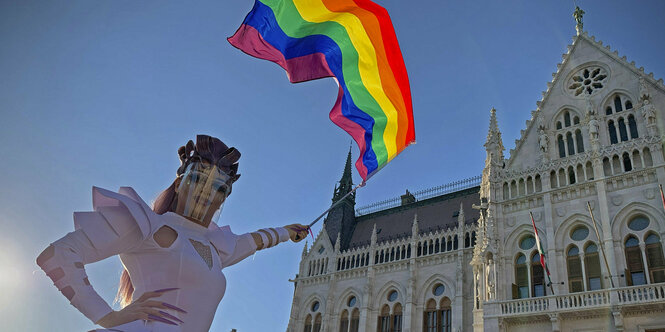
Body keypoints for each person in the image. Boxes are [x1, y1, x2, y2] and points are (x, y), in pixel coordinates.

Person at [36, 135, 310, 331]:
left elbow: (258, 240)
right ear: (179, 182)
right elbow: (58, 254)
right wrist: (105, 316)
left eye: (219, 188)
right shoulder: (146, 224)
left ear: (224, 198)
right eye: (198, 179)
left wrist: (289, 232)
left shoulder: (217, 248)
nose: (206, 193)